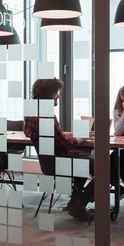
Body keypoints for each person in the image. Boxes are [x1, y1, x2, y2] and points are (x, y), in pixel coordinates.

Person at [24, 79, 94, 221]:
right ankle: (79, 204)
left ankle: (74, 202)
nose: (58, 96)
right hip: (60, 162)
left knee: (83, 163)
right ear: (49, 95)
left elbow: (55, 136)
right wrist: (81, 139)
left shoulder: (31, 115)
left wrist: (76, 135)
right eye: (56, 93)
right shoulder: (48, 116)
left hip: (48, 164)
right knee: (102, 167)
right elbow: (65, 145)